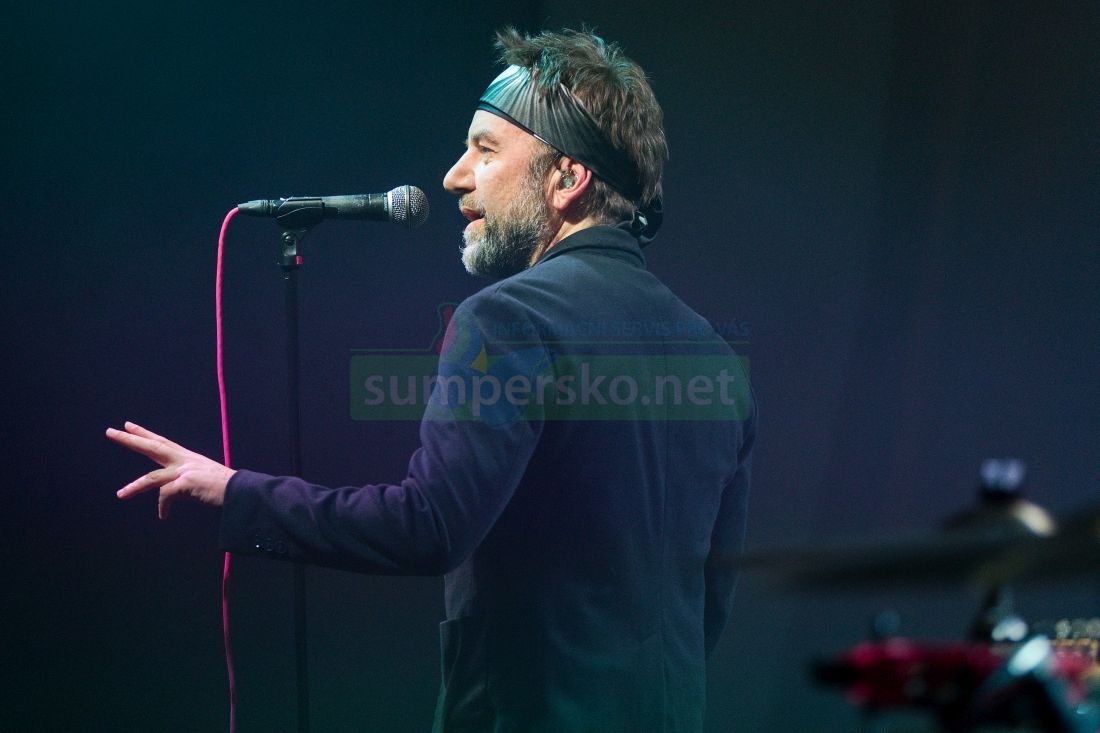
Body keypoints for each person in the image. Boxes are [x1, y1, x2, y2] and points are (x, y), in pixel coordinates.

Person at [108, 28, 756, 733]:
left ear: (566, 179)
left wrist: (237, 492)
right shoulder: (715, 359)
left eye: (485, 149)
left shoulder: (508, 319)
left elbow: (430, 526)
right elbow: (707, 604)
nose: (454, 176)